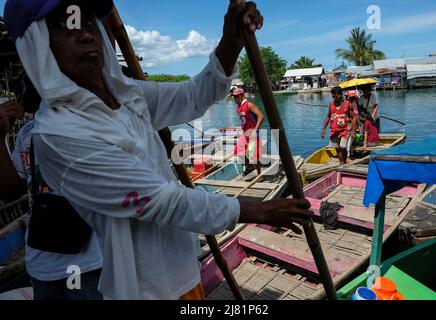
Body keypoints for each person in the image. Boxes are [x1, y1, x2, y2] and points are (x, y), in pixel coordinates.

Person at [4, 0, 313, 300]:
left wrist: (231, 41)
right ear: (38, 47)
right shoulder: (58, 132)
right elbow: (157, 201)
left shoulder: (127, 95)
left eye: (87, 22)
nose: (85, 33)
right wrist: (255, 209)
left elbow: (194, 96)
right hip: (145, 289)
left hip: (181, 270)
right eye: (66, 25)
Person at [0, 74, 103, 300]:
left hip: (85, 262)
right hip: (40, 262)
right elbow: (10, 191)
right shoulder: (27, 133)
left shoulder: (87, 125)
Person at [230, 87, 264, 177]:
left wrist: (255, 130)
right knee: (238, 151)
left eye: (236, 97)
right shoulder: (239, 108)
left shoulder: (249, 105)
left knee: (253, 155)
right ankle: (249, 167)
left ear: (241, 96)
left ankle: (260, 175)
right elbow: (245, 120)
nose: (234, 99)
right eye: (234, 97)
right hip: (245, 134)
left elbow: (261, 116)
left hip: (253, 133)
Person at [321, 86, 356, 165]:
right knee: (337, 149)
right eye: (333, 96)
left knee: (343, 148)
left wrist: (353, 129)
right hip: (334, 131)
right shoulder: (331, 104)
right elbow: (328, 116)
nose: (334, 98)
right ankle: (342, 164)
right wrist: (323, 129)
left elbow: (354, 117)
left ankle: (343, 162)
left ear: (341, 94)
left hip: (345, 130)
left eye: (336, 96)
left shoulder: (348, 104)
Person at [345, 90, 360, 162]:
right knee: (349, 140)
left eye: (353, 97)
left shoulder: (354, 103)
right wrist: (352, 127)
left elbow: (355, 115)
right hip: (350, 124)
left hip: (355, 123)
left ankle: (351, 153)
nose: (352, 98)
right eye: (351, 97)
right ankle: (348, 156)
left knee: (353, 139)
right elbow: (349, 116)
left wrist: (358, 125)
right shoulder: (349, 104)